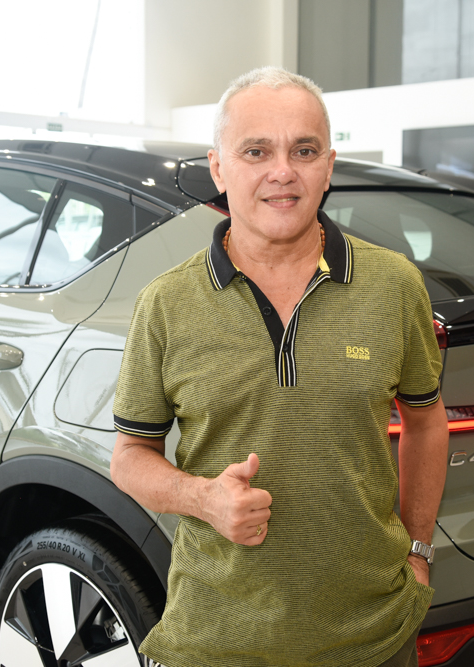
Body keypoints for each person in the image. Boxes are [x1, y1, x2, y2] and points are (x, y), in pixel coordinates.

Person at [110, 66, 449, 667]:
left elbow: (426, 421)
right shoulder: (166, 303)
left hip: (372, 637)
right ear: (219, 168)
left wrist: (419, 552)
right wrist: (204, 499)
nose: (283, 171)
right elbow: (130, 457)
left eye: (304, 151)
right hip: (215, 641)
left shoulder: (394, 285)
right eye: (256, 151)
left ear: (329, 166)